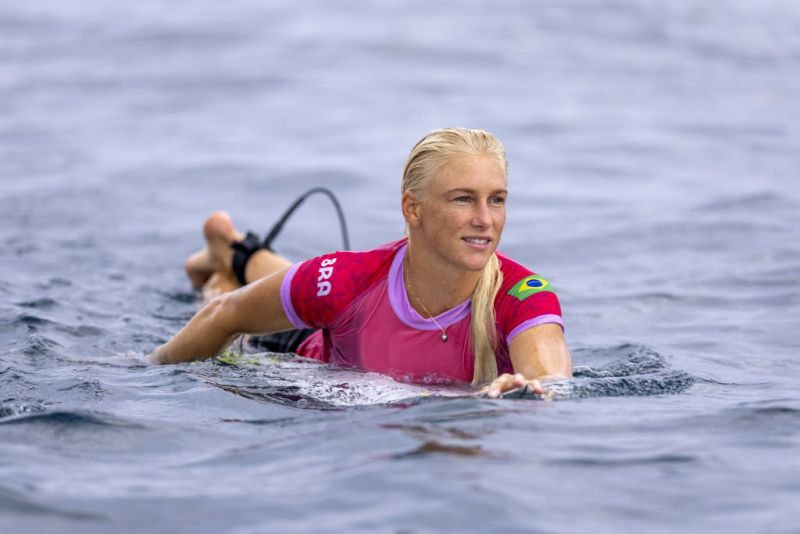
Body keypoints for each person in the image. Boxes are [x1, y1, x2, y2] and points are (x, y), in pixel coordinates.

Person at [147, 128, 572, 398]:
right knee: (224, 290)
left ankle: (231, 250)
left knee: (293, 286)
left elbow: (549, 376)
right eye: (463, 198)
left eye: (496, 200)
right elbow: (226, 316)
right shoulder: (347, 279)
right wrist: (145, 372)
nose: (485, 219)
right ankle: (227, 256)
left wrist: (535, 391)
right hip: (301, 348)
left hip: (343, 316)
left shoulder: (522, 296)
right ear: (413, 209)